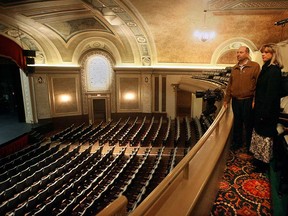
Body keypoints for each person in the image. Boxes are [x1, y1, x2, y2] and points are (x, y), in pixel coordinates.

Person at [250, 43, 283, 173]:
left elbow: (271, 95)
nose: (263, 54)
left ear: (273, 54)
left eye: (267, 52)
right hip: (261, 108)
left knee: (264, 138)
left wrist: (264, 113)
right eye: (263, 52)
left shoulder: (274, 70)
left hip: (267, 111)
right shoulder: (266, 68)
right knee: (259, 136)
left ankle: (263, 165)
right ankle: (258, 161)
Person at [223, 46, 260, 151]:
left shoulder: (255, 66)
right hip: (236, 100)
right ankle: (237, 143)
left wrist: (255, 100)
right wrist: (226, 99)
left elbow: (258, 85)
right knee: (237, 124)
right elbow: (230, 85)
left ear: (247, 54)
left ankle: (249, 146)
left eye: (241, 52)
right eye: (237, 52)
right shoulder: (234, 68)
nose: (238, 54)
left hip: (248, 100)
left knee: (248, 124)